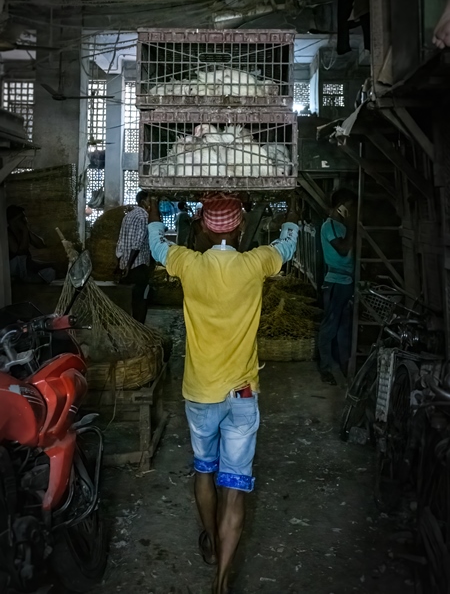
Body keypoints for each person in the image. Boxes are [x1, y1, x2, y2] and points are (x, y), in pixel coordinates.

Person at [148, 192, 299, 594]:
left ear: (202, 227)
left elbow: (155, 244)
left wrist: (150, 211)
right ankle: (221, 580)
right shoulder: (256, 263)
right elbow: (287, 243)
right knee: (235, 487)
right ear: (238, 226)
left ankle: (211, 544)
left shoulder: (187, 263)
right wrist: (293, 216)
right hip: (242, 395)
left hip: (200, 393)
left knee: (204, 470)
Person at [318, 188, 357, 385]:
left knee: (344, 327)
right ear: (340, 207)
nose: (352, 211)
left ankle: (343, 365)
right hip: (335, 282)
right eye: (349, 207)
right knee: (330, 326)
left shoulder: (340, 226)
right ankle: (325, 368)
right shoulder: (329, 226)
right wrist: (351, 227)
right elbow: (342, 250)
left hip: (346, 282)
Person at [116, 190, 153, 324]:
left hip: (126, 264)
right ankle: (139, 326)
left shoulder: (128, 216)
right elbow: (137, 243)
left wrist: (121, 264)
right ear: (143, 202)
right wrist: (129, 264)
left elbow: (120, 242)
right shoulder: (144, 217)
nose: (152, 204)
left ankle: (131, 325)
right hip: (138, 265)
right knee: (142, 298)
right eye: (150, 201)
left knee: (130, 300)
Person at [7, 205, 56, 284]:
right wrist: (25, 232)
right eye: (21, 218)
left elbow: (41, 245)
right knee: (21, 259)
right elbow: (20, 252)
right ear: (14, 221)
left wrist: (27, 231)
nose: (25, 220)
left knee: (50, 271)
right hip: (16, 267)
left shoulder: (23, 232)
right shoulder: (8, 234)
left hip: (28, 264)